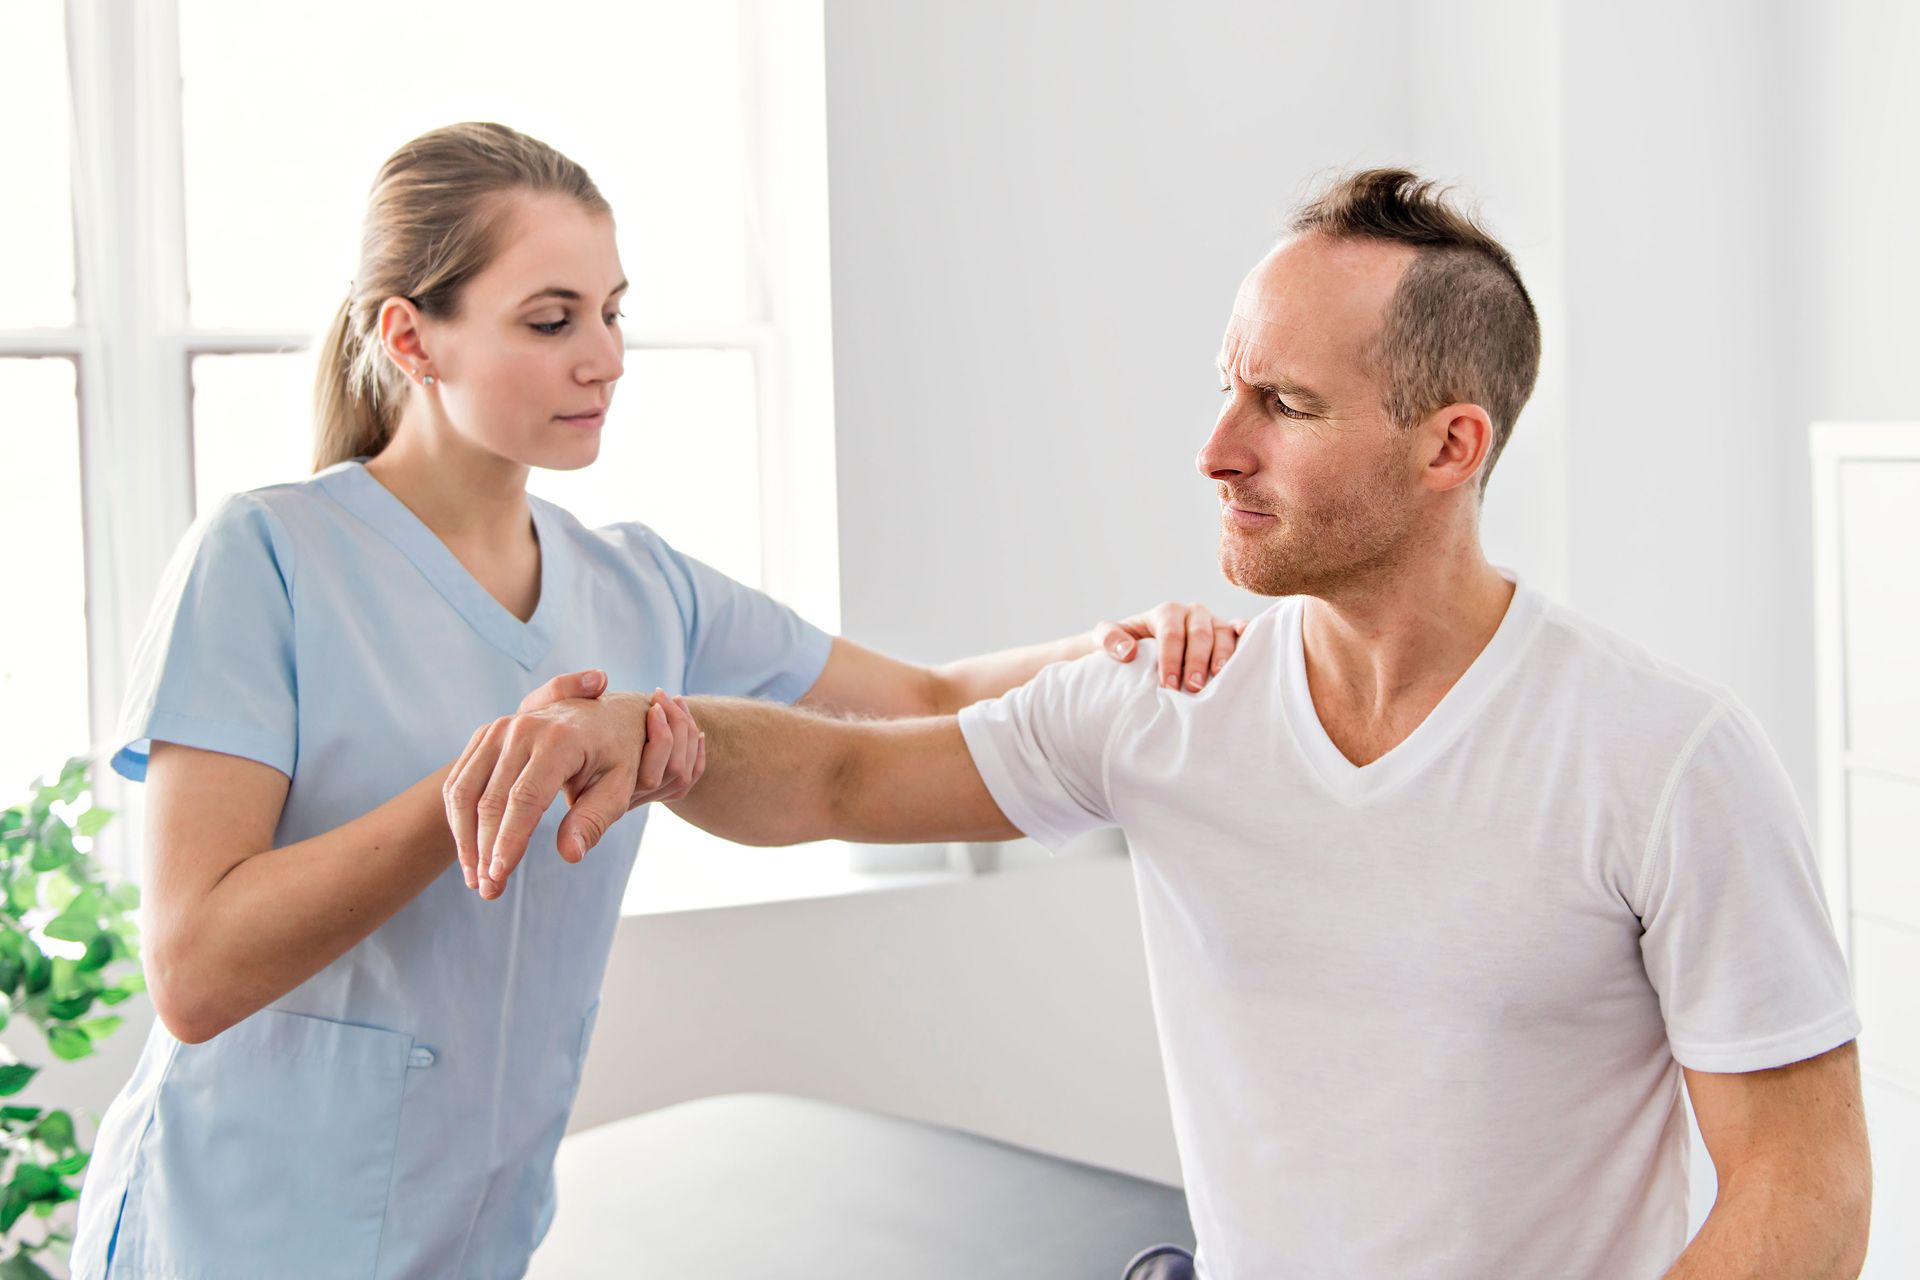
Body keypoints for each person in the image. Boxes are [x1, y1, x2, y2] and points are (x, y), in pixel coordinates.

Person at [458, 170, 1873, 1279]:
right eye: (1224, 386)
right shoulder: (1169, 704)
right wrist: (642, 737)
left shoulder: (1659, 757)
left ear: (1451, 447)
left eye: (1286, 405)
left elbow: (1805, 1198)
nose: (1217, 449)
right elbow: (839, 775)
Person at [69, 121, 1239, 1280]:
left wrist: (1119, 648)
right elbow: (196, 969)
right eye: (551, 319)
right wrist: (494, 775)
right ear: (411, 338)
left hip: (472, 1238)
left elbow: (920, 697)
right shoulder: (268, 555)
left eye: (612, 311)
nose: (606, 356)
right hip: (231, 1230)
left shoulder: (639, 586)